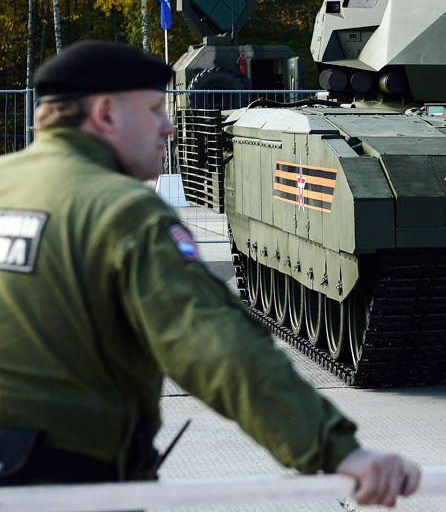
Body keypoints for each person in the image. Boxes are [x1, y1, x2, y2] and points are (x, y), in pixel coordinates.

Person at [0, 41, 419, 505]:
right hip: (68, 484)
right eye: (156, 109)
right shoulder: (122, 213)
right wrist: (337, 450)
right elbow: (218, 346)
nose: (170, 127)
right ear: (104, 114)